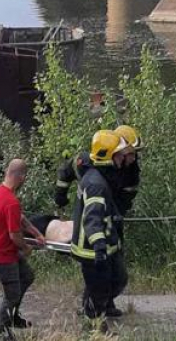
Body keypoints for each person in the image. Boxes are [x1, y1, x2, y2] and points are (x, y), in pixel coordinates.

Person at [54, 124, 142, 317]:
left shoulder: (130, 172)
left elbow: (126, 198)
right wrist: (61, 196)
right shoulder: (88, 164)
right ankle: (92, 309)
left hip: (112, 221)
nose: (133, 158)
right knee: (98, 274)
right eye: (130, 153)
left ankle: (104, 303)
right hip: (92, 221)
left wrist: (116, 216)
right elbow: (66, 172)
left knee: (116, 272)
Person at [71, 130, 129, 331]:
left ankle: (96, 314)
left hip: (105, 245)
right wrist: (99, 246)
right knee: (99, 288)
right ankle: (93, 328)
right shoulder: (96, 183)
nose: (123, 158)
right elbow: (92, 218)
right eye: (119, 154)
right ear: (109, 156)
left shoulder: (101, 176)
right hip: (91, 248)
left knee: (117, 279)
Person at [0, 159, 46, 341]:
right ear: (22, 177)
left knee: (27, 276)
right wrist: (27, 248)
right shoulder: (11, 201)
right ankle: (1, 333)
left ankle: (13, 316)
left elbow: (20, 218)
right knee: (12, 294)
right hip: (0, 255)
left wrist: (36, 233)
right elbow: (14, 235)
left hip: (3, 251)